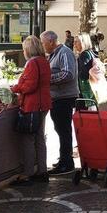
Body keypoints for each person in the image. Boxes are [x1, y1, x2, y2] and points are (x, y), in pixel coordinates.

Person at [10, 35, 52, 185]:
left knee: (28, 139)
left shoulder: (32, 63)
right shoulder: (44, 61)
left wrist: (15, 88)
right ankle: (42, 170)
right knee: (40, 138)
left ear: (28, 49)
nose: (23, 52)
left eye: (23, 49)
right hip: (43, 104)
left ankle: (28, 172)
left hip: (33, 105)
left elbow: (29, 86)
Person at [40, 30, 78, 176]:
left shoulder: (64, 52)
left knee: (64, 130)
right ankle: (64, 159)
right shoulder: (54, 54)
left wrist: (48, 79)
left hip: (64, 97)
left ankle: (67, 162)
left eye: (43, 43)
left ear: (51, 42)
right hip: (57, 97)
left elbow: (68, 73)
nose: (43, 46)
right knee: (60, 129)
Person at [74, 33, 98, 103]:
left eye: (76, 42)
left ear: (83, 42)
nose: (74, 45)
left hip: (86, 90)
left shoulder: (84, 55)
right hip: (92, 88)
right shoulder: (91, 52)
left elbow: (84, 74)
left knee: (84, 112)